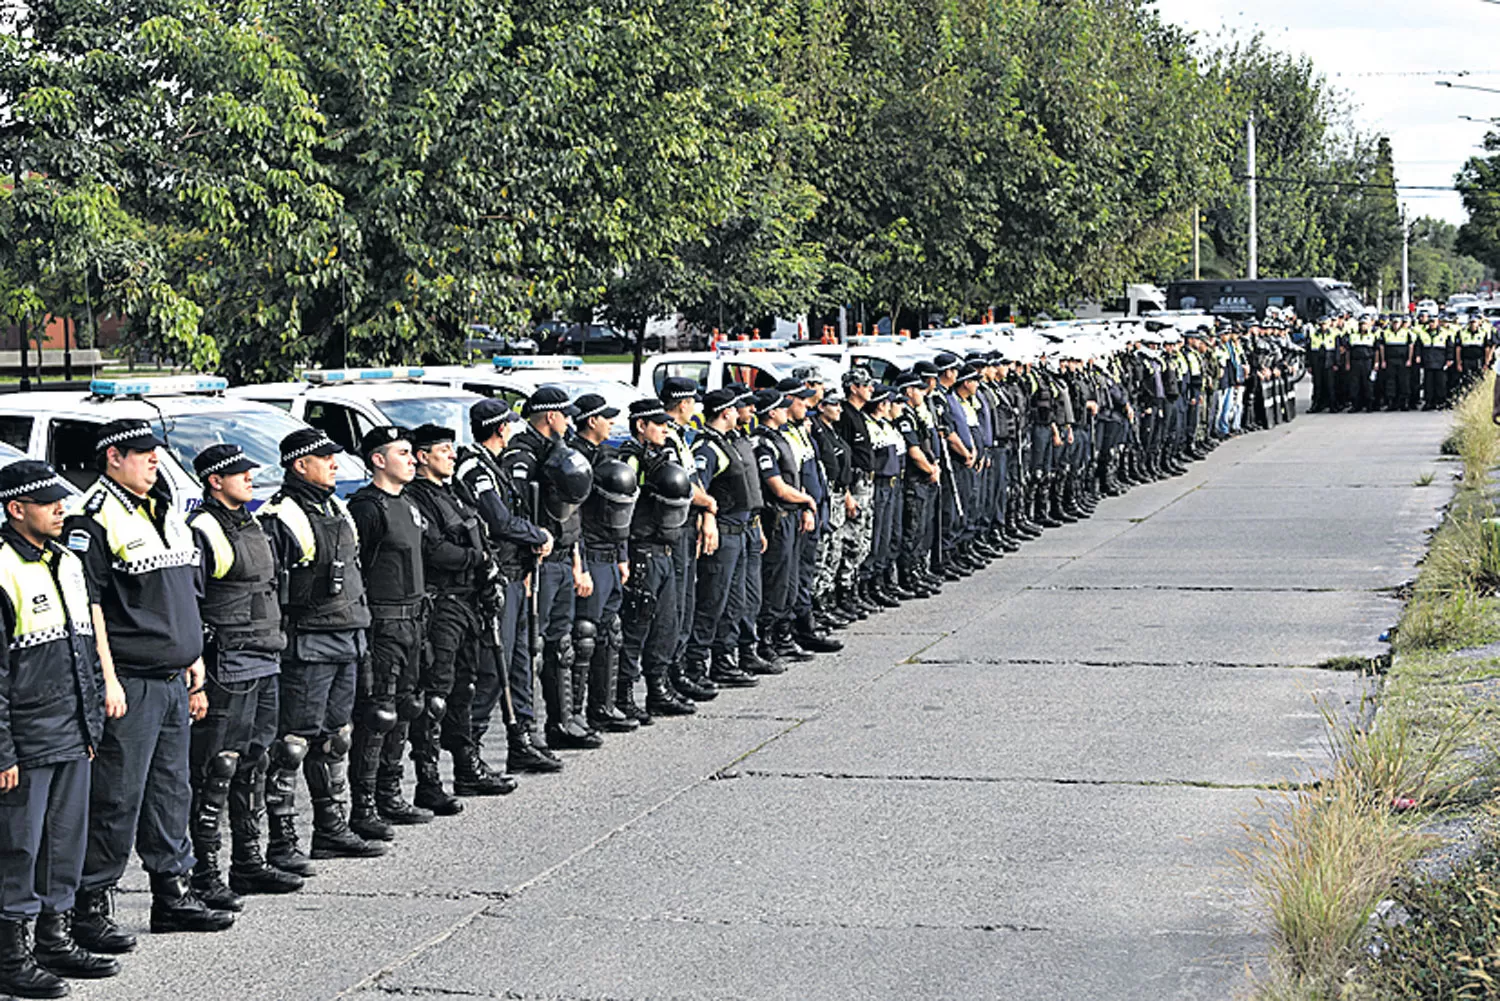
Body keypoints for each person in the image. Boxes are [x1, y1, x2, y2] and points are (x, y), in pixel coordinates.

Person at [67, 419, 233, 954]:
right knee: (117, 796)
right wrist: (108, 679)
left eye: (155, 452)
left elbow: (187, 592)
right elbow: (89, 608)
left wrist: (196, 659)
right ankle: (91, 906)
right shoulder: (93, 518)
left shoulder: (167, 508)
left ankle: (172, 893)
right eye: (142, 454)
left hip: (173, 675)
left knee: (170, 790)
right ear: (113, 456)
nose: (154, 461)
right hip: (131, 683)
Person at [0, 460, 117, 997]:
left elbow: (86, 649)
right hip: (27, 735)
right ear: (15, 509)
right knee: (18, 849)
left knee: (64, 842)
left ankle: (55, 937)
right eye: (47, 503)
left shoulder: (67, 561)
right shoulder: (2, 568)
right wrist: (3, 751)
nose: (60, 508)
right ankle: (10, 956)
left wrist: (91, 723)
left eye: (60, 500)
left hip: (72, 729)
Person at [259, 428, 383, 873]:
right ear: (299, 465)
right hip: (307, 642)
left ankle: (331, 829)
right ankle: (282, 840)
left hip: (347, 635)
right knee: (292, 744)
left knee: (336, 738)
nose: (334, 463)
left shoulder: (337, 507)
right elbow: (271, 586)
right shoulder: (281, 515)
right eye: (324, 457)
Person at [186, 445, 302, 913]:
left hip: (265, 655)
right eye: (239, 472)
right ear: (215, 480)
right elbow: (192, 602)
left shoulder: (252, 522)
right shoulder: (203, 528)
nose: (250, 477)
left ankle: (248, 861)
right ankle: (204, 873)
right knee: (218, 768)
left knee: (256, 760)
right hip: (228, 661)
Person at [404, 423, 507, 813]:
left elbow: (479, 532)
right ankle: (428, 782)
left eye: (451, 449)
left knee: (466, 686)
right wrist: (475, 560)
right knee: (436, 694)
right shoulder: (417, 498)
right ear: (423, 456)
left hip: (469, 600)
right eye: (443, 450)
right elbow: (434, 551)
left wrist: (488, 568)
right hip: (442, 601)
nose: (451, 455)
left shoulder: (455, 491)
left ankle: (468, 767)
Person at [453, 400, 556, 771]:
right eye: (510, 425)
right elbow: (498, 520)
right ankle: (472, 750)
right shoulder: (474, 466)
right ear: (500, 429)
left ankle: (522, 739)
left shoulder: (495, 464)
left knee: (521, 662)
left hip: (518, 573)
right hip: (495, 578)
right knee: (494, 668)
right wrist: (537, 534)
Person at [345, 427, 435, 837]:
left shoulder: (410, 504)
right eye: (403, 453)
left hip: (415, 618)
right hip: (384, 622)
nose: (413, 459)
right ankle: (363, 806)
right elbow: (355, 569)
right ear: (378, 460)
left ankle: (390, 794)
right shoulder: (367, 507)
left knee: (407, 707)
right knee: (378, 713)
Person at [499, 388, 598, 753]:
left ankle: (563, 720)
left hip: (561, 559)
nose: (570, 422)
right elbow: (519, 517)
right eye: (565, 415)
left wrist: (578, 563)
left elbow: (569, 517)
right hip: (535, 564)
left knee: (563, 645)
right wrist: (525, 565)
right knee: (531, 647)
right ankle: (526, 730)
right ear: (551, 416)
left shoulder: (559, 452)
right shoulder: (522, 455)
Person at [567, 395, 645, 730]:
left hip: (611, 555)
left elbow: (621, 513)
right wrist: (579, 563)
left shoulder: (605, 456)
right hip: (591, 554)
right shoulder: (574, 461)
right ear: (590, 420)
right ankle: (578, 713)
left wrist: (623, 555)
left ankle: (606, 705)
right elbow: (573, 519)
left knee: (611, 632)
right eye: (605, 418)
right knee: (585, 636)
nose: (611, 423)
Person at [616, 399, 697, 719]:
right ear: (640, 426)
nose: (665, 429)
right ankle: (623, 694)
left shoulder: (660, 456)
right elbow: (624, 508)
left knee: (667, 623)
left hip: (664, 550)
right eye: (658, 424)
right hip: (642, 551)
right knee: (637, 625)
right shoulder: (631, 460)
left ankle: (658, 690)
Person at [686, 388, 765, 685]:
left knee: (736, 601)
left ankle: (725, 659)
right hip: (724, 534)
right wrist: (708, 517)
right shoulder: (708, 446)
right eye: (735, 409)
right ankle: (696, 664)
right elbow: (699, 489)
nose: (740, 413)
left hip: (742, 530)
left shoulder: (728, 441)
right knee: (713, 600)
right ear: (725, 412)